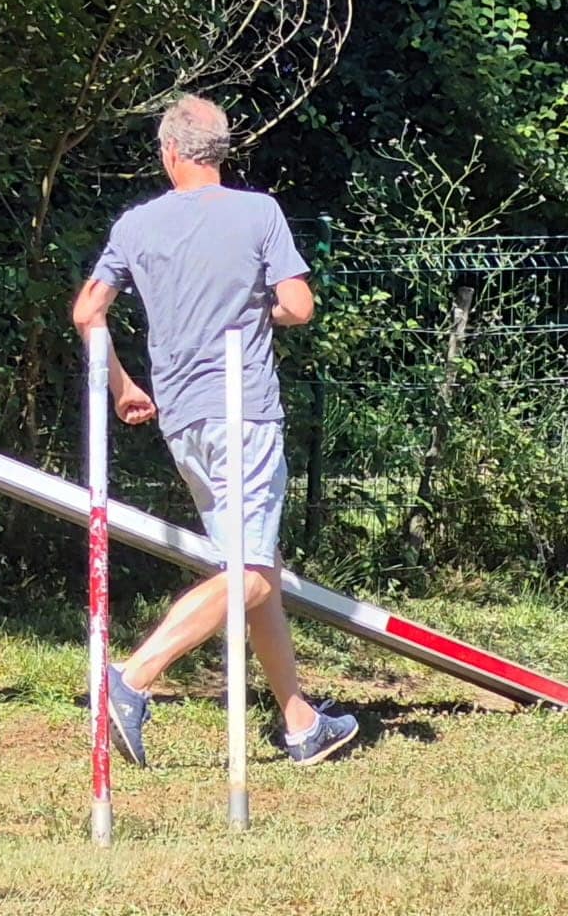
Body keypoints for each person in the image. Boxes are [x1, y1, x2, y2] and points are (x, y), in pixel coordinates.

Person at [71, 94, 358, 767]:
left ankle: (300, 723)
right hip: (244, 411)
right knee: (253, 571)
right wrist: (260, 307)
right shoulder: (258, 212)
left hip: (181, 419)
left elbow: (89, 311)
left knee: (255, 565)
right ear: (219, 152)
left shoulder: (136, 225)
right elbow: (298, 304)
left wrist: (122, 386)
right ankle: (131, 679)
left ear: (169, 152)